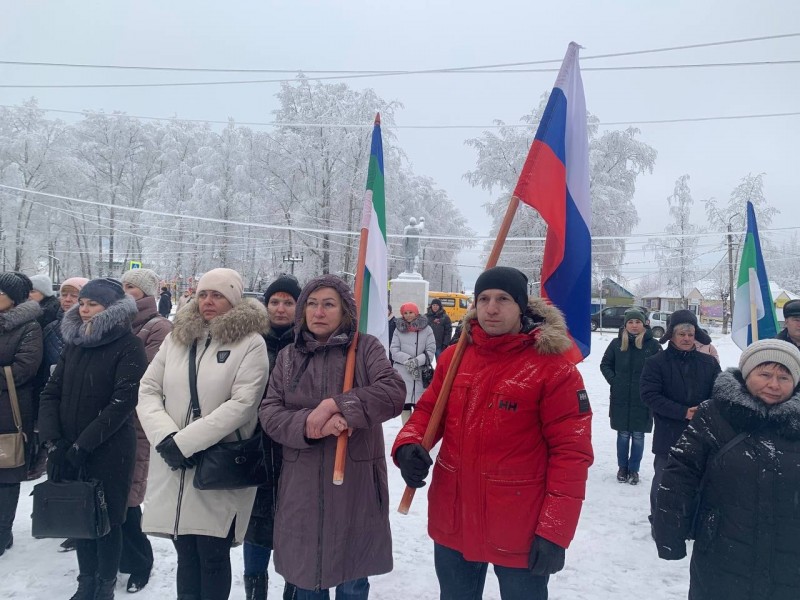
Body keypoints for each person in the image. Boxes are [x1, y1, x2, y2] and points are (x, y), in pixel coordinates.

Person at [392, 266, 594, 600]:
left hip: (519, 525)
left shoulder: (552, 368)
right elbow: (428, 411)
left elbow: (571, 454)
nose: (491, 308)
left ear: (521, 307)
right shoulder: (454, 358)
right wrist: (408, 444)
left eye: (503, 299)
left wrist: (555, 530)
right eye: (483, 298)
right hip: (454, 517)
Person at [259, 274, 404, 599]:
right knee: (309, 578)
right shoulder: (289, 357)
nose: (318, 312)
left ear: (345, 311)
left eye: (328, 304)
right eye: (311, 304)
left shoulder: (365, 348)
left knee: (353, 579)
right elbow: (270, 412)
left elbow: (394, 391)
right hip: (303, 488)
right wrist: (311, 423)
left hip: (356, 487)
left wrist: (340, 405)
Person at [137, 268, 269, 600]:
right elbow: (148, 390)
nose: (208, 302)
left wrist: (184, 443)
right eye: (203, 295)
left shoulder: (250, 343)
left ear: (235, 299)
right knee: (186, 554)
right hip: (174, 464)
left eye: (218, 295)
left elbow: (243, 404)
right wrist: (167, 438)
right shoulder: (177, 338)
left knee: (212, 554)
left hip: (216, 464)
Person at [654, 339, 800, 599]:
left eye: (784, 377)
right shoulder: (714, 414)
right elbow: (680, 474)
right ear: (746, 375)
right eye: (764, 374)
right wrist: (670, 534)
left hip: (789, 558)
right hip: (722, 552)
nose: (774, 385)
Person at [39, 278, 148, 600]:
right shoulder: (75, 343)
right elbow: (51, 393)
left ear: (111, 309)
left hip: (109, 449)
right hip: (67, 446)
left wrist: (83, 444)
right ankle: (85, 582)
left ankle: (103, 586)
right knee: (79, 517)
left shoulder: (129, 346)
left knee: (107, 521)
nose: (84, 310)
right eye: (81, 303)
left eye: (92, 304)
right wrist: (54, 441)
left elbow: (122, 402)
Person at [243, 274, 302, 600]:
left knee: (293, 526)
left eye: (288, 302)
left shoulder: (308, 343)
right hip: (256, 445)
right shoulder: (250, 342)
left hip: (295, 447)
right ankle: (255, 589)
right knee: (257, 522)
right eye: (274, 302)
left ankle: (292, 589)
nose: (280, 309)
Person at [640, 309, 721, 527]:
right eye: (681, 334)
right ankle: (660, 521)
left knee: (698, 481)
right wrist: (683, 412)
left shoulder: (709, 363)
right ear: (671, 335)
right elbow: (650, 395)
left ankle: (691, 522)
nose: (686, 338)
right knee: (664, 479)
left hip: (701, 433)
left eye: (690, 334)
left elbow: (720, 393)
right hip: (669, 432)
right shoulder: (656, 362)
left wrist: (705, 412)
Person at [120, 268, 173, 593]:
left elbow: (148, 374)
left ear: (147, 292)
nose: (126, 291)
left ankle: (140, 562)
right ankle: (122, 558)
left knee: (129, 496)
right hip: (111, 420)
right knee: (115, 494)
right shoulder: (116, 320)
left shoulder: (158, 326)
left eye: (133, 287)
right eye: (123, 285)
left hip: (136, 421)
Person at [0, 272, 43, 558]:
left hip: (10, 408)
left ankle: (2, 532)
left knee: (6, 474)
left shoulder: (29, 327)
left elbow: (25, 368)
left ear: (13, 297)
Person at [600, 308, 662, 485]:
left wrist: (650, 388)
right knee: (623, 434)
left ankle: (634, 470)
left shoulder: (653, 346)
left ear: (644, 324)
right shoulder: (616, 343)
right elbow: (605, 365)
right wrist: (615, 381)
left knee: (638, 435)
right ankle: (622, 468)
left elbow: (661, 370)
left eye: (637, 322)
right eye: (631, 322)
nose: (634, 325)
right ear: (625, 324)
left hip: (643, 399)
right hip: (620, 397)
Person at [27, 273, 61, 479]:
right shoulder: (34, 311)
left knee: (41, 420)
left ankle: (39, 460)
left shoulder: (47, 313)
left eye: (33, 291)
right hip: (40, 369)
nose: (30, 295)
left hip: (45, 369)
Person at [390, 302, 436, 424]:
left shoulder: (427, 329)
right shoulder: (398, 330)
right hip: (403, 372)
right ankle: (406, 432)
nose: (408, 315)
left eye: (410, 312)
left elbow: (430, 350)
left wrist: (417, 361)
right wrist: (408, 360)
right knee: (404, 405)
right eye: (405, 313)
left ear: (416, 313)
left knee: (419, 406)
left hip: (420, 372)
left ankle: (417, 432)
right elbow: (394, 350)